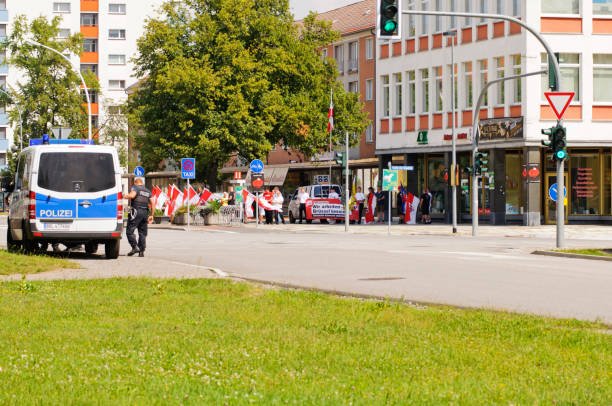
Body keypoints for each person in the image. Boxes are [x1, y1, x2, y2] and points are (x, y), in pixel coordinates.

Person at [126, 177, 154, 257]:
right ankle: (141, 251)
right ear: (143, 183)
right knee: (142, 233)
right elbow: (153, 203)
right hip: (145, 212)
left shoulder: (135, 188)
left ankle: (134, 247)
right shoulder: (148, 191)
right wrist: (151, 215)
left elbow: (132, 196)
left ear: (135, 183)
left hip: (136, 211)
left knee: (129, 231)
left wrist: (124, 196)